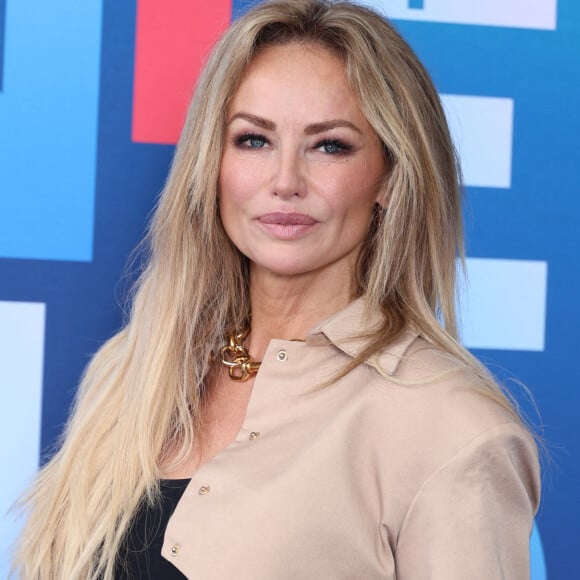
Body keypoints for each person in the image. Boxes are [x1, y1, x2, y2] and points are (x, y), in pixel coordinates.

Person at [14, 0, 540, 578]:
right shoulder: (131, 372)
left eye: (330, 145)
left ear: (390, 176)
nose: (285, 181)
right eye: (254, 140)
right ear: (211, 162)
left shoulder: (454, 430)